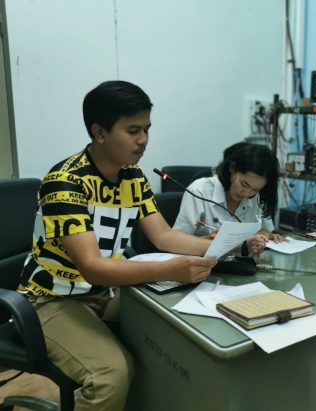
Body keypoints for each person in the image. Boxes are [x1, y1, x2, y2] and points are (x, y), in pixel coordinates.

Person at [18, 80, 217, 411]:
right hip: (51, 298)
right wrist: (171, 269)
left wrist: (222, 245)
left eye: (147, 129)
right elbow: (92, 267)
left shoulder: (132, 176)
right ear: (99, 132)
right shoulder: (65, 182)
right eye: (133, 131)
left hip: (104, 292)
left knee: (172, 334)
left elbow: (164, 237)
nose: (143, 140)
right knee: (110, 375)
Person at [173, 142, 284, 256]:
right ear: (232, 168)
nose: (246, 194)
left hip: (244, 264)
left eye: (255, 189)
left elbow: (265, 230)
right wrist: (207, 240)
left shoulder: (257, 197)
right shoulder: (199, 191)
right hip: (204, 263)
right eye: (244, 184)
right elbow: (175, 242)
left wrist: (265, 235)